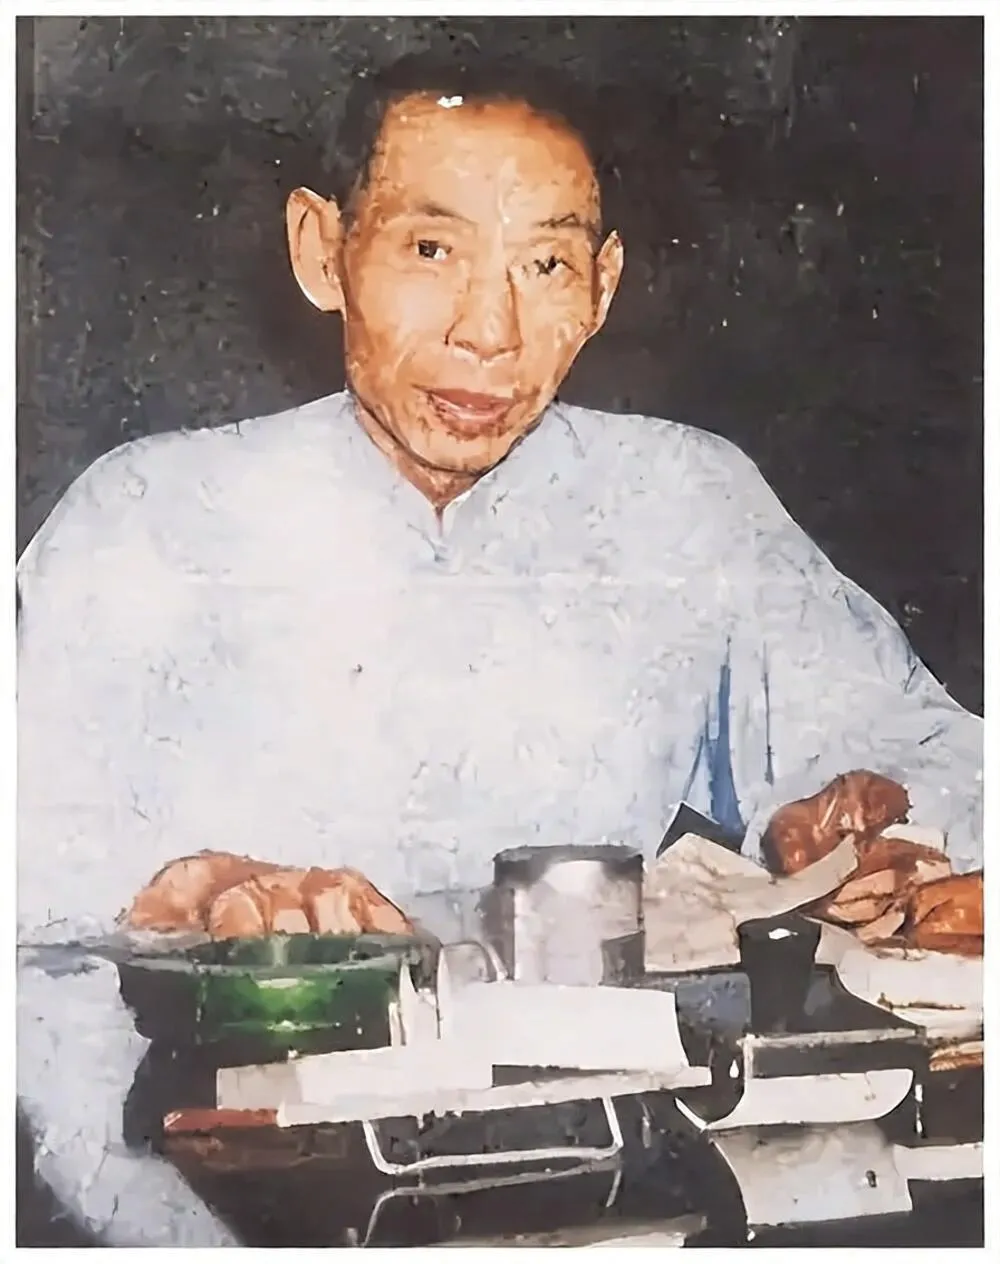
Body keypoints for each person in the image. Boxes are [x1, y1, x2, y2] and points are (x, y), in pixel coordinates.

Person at [16, 51, 982, 1246]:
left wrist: (875, 820)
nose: (491, 331)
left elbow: (928, 747)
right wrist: (196, 889)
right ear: (322, 250)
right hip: (230, 1184)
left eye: (545, 265)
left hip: (615, 1177)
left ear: (604, 283)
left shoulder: (680, 501)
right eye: (432, 249)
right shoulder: (147, 518)